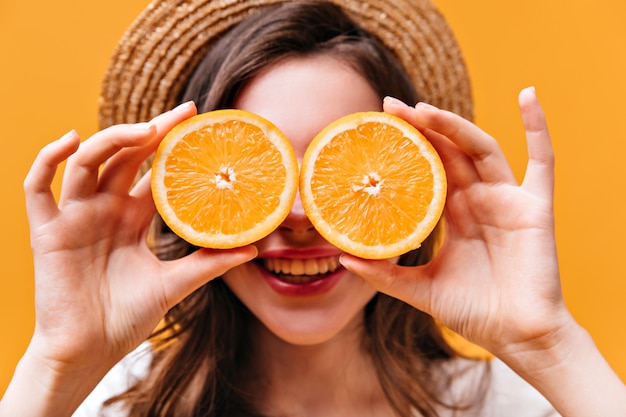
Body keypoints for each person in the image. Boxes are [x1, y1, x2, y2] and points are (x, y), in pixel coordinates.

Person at [1, 0, 625, 416]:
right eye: (257, 171)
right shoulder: (107, 402)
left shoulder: (511, 406)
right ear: (188, 190)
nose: (299, 214)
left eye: (339, 170)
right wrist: (59, 362)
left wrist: (551, 349)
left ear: (409, 185)